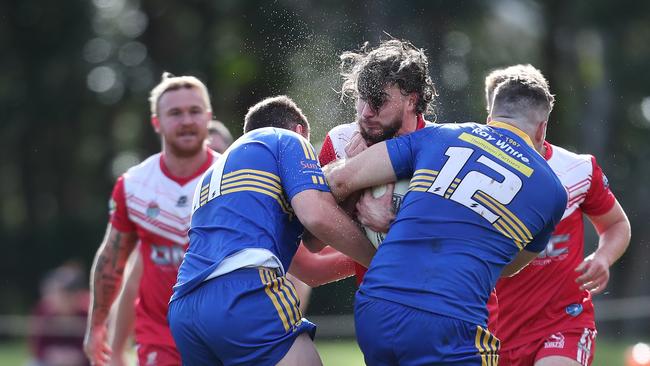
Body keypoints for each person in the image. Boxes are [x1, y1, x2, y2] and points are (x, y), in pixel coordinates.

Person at [324, 73, 568, 365]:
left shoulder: (440, 135)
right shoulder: (553, 191)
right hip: (451, 321)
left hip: (376, 306)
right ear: (542, 130)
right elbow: (507, 268)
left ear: (490, 117)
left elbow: (338, 180)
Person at [167, 95, 376, 366]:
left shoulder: (225, 171)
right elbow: (317, 216)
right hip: (243, 292)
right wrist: (383, 255)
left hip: (185, 308)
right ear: (299, 130)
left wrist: (358, 260)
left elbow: (310, 270)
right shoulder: (287, 139)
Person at [484, 65, 631, 366]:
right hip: (492, 333)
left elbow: (616, 223)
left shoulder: (577, 170)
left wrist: (602, 257)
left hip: (563, 325)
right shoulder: (469, 172)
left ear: (541, 128)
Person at [83, 72, 220, 366]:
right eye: (175, 113)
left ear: (208, 117)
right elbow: (113, 259)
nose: (186, 120)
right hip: (160, 335)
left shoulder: (233, 176)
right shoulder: (134, 186)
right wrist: (97, 325)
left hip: (225, 332)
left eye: (195, 111)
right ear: (156, 122)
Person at [289, 38, 437, 294]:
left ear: (411, 101)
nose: (366, 112)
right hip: (376, 300)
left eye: (378, 100)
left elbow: (456, 241)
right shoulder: (339, 141)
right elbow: (313, 241)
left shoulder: (443, 147)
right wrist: (353, 180)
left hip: (440, 297)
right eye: (361, 98)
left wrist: (395, 228)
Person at [28, 262, 90, 366]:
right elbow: (37, 346)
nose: (64, 298)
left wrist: (79, 356)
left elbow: (96, 346)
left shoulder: (87, 315)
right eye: (60, 293)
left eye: (69, 293)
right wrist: (51, 355)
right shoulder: (44, 312)